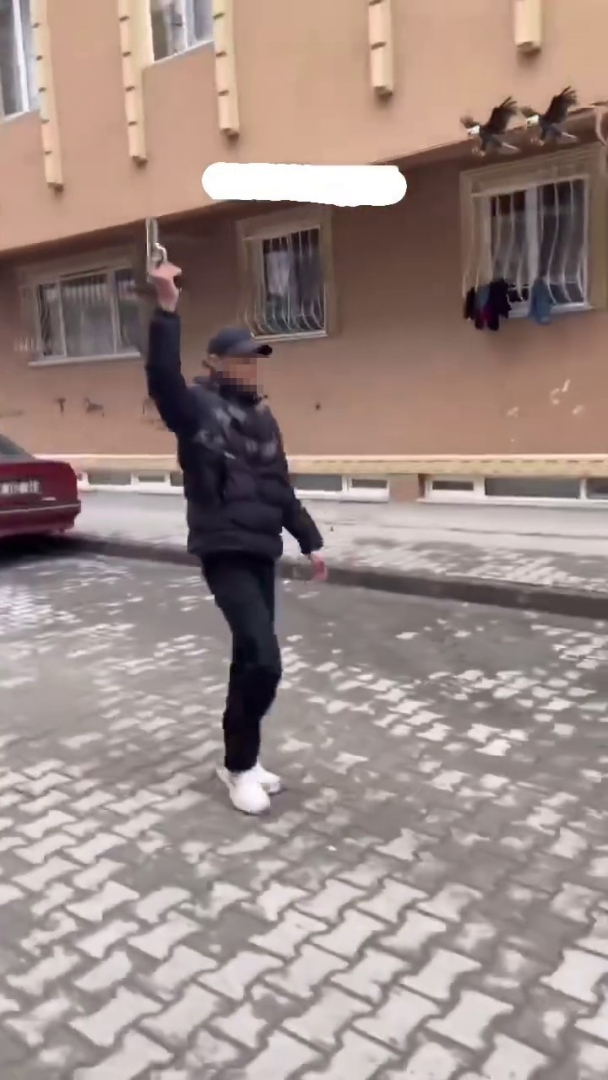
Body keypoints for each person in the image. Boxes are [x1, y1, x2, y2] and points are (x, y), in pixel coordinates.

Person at [145, 259, 327, 815]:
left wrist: (309, 539)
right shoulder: (195, 408)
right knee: (264, 660)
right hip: (223, 548)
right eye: (242, 359)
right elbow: (162, 378)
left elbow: (278, 486)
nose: (251, 367)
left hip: (261, 550)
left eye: (256, 360)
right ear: (217, 364)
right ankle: (240, 767)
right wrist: (167, 308)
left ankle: (240, 761)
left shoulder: (264, 419)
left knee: (249, 661)